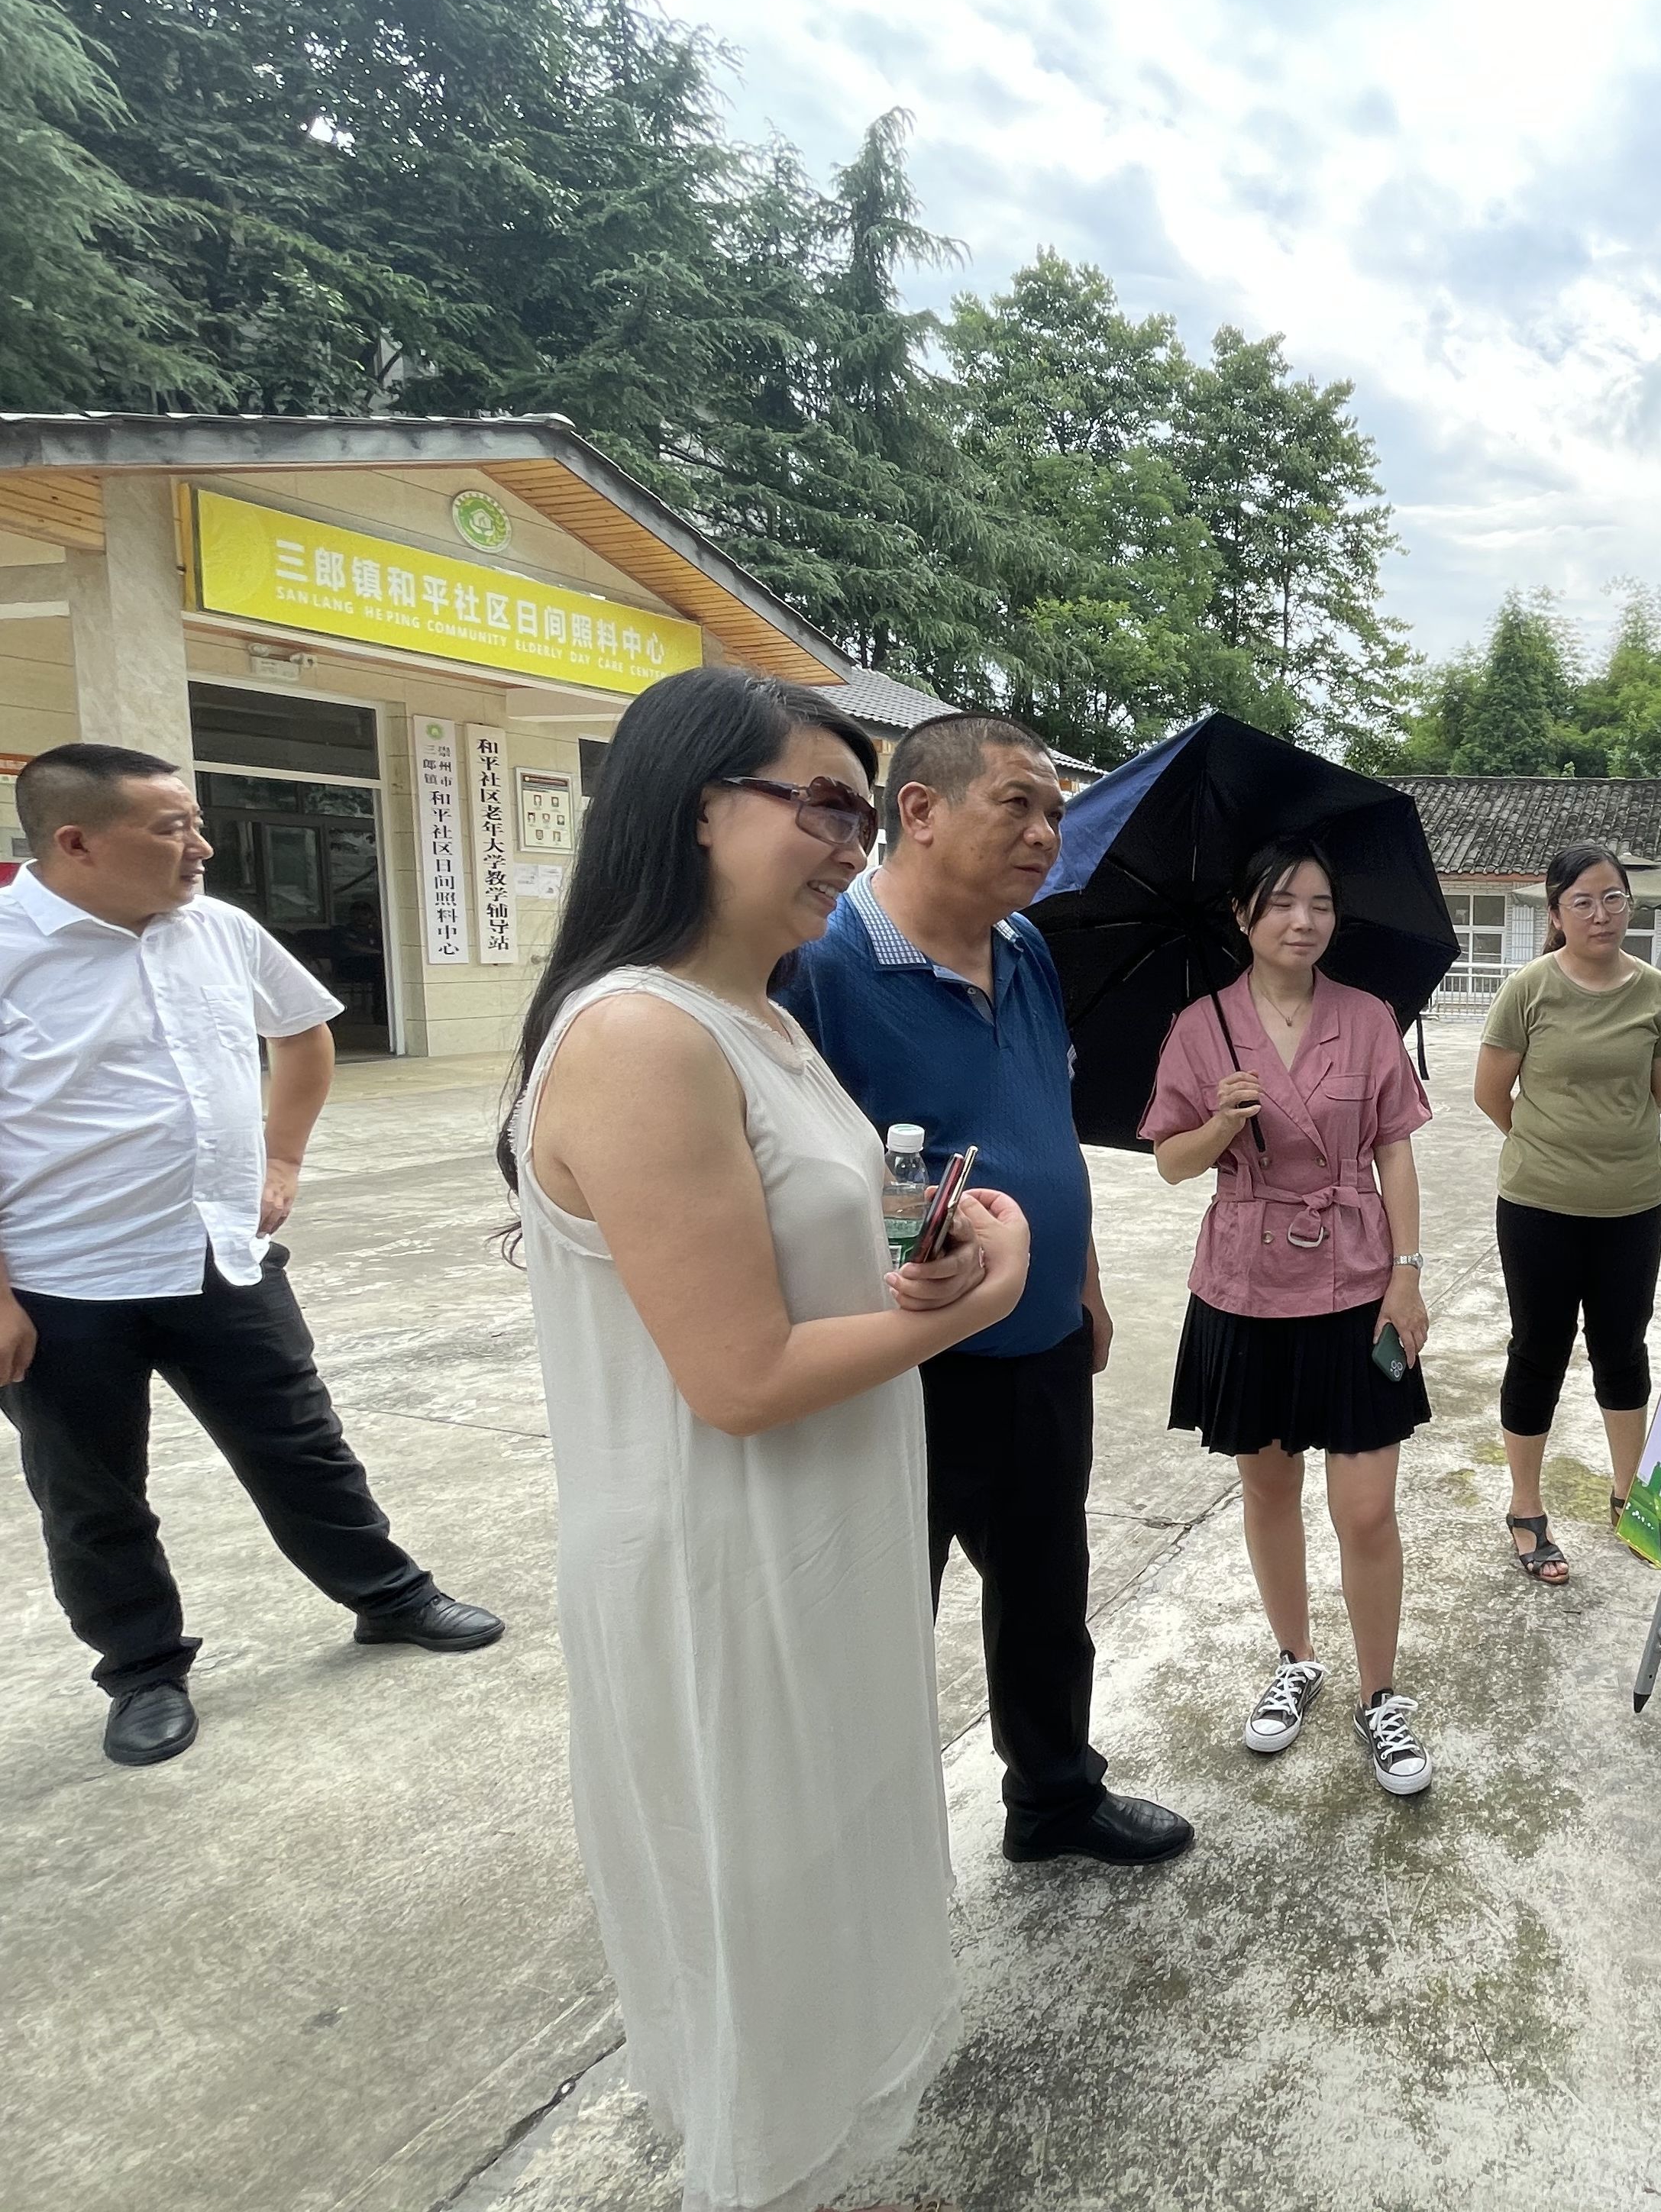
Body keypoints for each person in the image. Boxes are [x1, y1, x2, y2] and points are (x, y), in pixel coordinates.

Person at [506, 670, 1031, 2212]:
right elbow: (736, 1373)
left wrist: (956, 1230)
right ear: (692, 808)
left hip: (814, 1534)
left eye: (859, 815)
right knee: (765, 1919)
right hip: (720, 1560)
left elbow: (820, 1256)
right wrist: (972, 1305)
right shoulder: (639, 1038)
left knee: (825, 1876)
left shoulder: (757, 1018)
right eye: (822, 804)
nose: (848, 843)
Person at [0, 743, 502, 1770]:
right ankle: (141, 1671)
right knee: (92, 1494)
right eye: (172, 826)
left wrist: (280, 1156)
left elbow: (306, 1031)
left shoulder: (219, 930)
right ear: (76, 840)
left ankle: (388, 1597)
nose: (203, 845)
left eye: (195, 822)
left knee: (301, 1446)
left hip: (221, 1259)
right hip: (62, 1288)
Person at [779, 712, 1193, 1869]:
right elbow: (781, 1179)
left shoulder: (1027, 952)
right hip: (895, 1359)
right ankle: (864, 1840)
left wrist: (1085, 1277)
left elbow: (1045, 1127)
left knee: (1048, 1592)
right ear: (918, 810)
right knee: (875, 1611)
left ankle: (1054, 1798)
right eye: (1018, 803)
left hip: (1042, 1339)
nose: (1047, 833)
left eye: (1057, 812)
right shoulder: (822, 968)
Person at [1141, 838, 1436, 1799]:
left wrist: (1407, 1273)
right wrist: (1224, 1120)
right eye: (1280, 903)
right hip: (1246, 1286)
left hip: (1359, 1283)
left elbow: (1395, 1150)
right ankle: (1294, 1658)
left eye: (1318, 903)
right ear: (1242, 916)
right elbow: (1172, 1163)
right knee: (1267, 1492)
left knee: (1366, 1507)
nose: (1303, 921)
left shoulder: (1369, 1018)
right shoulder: (1200, 1027)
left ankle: (1381, 1694)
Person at [1473, 844, 1661, 1584]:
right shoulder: (1529, 990)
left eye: (1614, 900)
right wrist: (1547, 1147)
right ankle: (1526, 1507)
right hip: (1538, 1205)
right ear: (1557, 915)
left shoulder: (1658, 994)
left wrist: (1605, 1146)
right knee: (1538, 1349)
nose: (1601, 915)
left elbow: (1658, 1094)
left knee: (1622, 1349)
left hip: (1633, 1205)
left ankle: (1630, 1496)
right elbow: (1489, 1092)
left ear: (1632, 904)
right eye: (1583, 903)